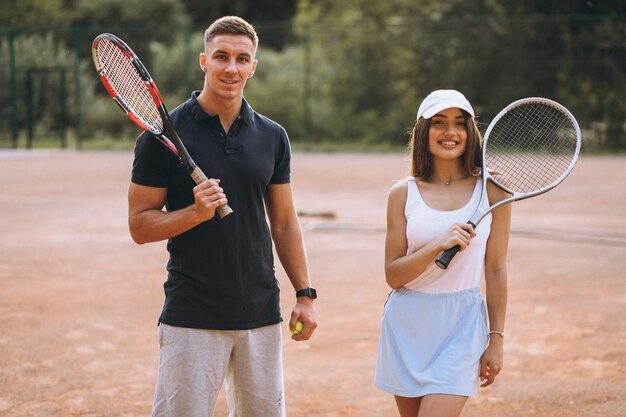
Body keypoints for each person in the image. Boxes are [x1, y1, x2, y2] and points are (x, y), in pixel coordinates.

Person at [128, 16, 317, 417]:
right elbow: (140, 225)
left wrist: (305, 294)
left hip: (260, 311)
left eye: (241, 58)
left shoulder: (272, 136)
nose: (231, 67)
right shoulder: (161, 135)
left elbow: (284, 223)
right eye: (221, 56)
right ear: (203, 61)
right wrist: (195, 214)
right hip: (191, 312)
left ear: (253, 66)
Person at [375, 90, 511, 417]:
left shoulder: (494, 189)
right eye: (439, 123)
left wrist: (496, 339)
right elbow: (393, 275)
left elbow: (495, 270)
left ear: (470, 133)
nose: (450, 132)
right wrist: (438, 243)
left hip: (463, 324)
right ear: (424, 131)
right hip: (407, 324)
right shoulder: (402, 193)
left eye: (459, 124)